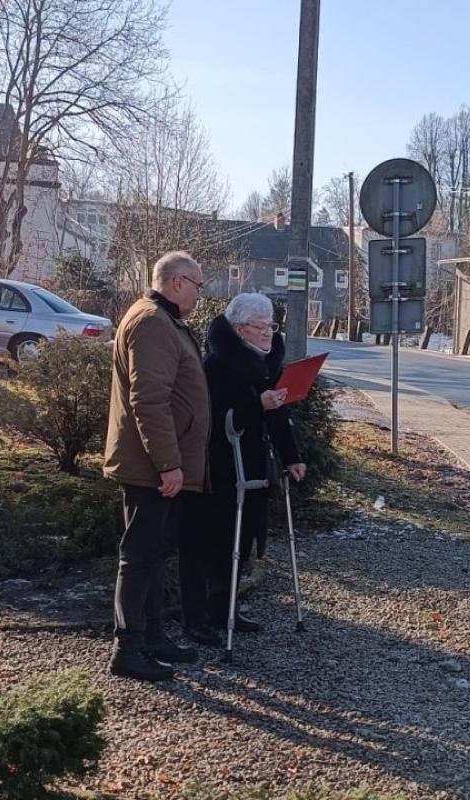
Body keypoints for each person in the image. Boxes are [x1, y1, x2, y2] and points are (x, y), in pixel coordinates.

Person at [103, 250, 210, 681]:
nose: (200, 294)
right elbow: (148, 400)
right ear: (178, 282)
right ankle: (127, 650)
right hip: (150, 466)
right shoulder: (151, 322)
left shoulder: (163, 320)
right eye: (198, 286)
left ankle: (151, 637)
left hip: (158, 463)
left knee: (154, 553)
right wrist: (168, 464)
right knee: (140, 555)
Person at [184, 293, 306, 642]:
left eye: (271, 326)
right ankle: (204, 616)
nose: (269, 333)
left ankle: (227, 609)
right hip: (221, 466)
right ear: (239, 330)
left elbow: (279, 414)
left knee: (245, 536)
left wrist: (292, 456)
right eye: (260, 327)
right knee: (217, 540)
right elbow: (213, 419)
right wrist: (257, 405)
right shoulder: (215, 366)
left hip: (256, 464)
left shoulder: (269, 362)